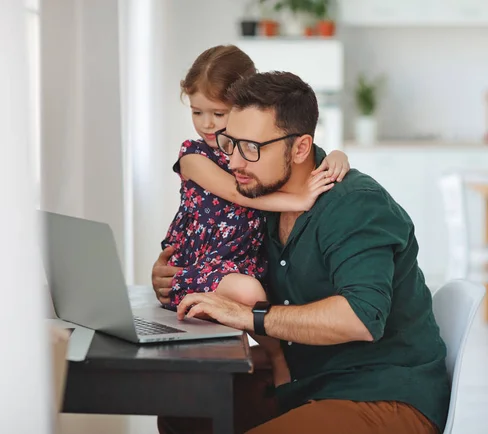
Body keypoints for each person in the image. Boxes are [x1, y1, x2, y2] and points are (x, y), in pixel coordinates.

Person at [152, 71, 450, 434]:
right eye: (230, 144)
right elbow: (212, 252)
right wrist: (170, 275)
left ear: (300, 148)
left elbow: (360, 317)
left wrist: (249, 316)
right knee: (182, 410)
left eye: (251, 148)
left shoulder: (355, 205)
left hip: (383, 394)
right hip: (307, 380)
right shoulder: (261, 199)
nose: (233, 163)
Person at [161, 45, 350, 387]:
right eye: (197, 112)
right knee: (249, 291)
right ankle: (277, 359)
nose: (207, 125)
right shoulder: (193, 156)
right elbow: (236, 193)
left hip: (242, 258)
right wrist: (301, 200)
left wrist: (337, 155)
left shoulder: (259, 156)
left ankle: (270, 361)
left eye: (218, 114)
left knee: (256, 292)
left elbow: (299, 153)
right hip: (202, 260)